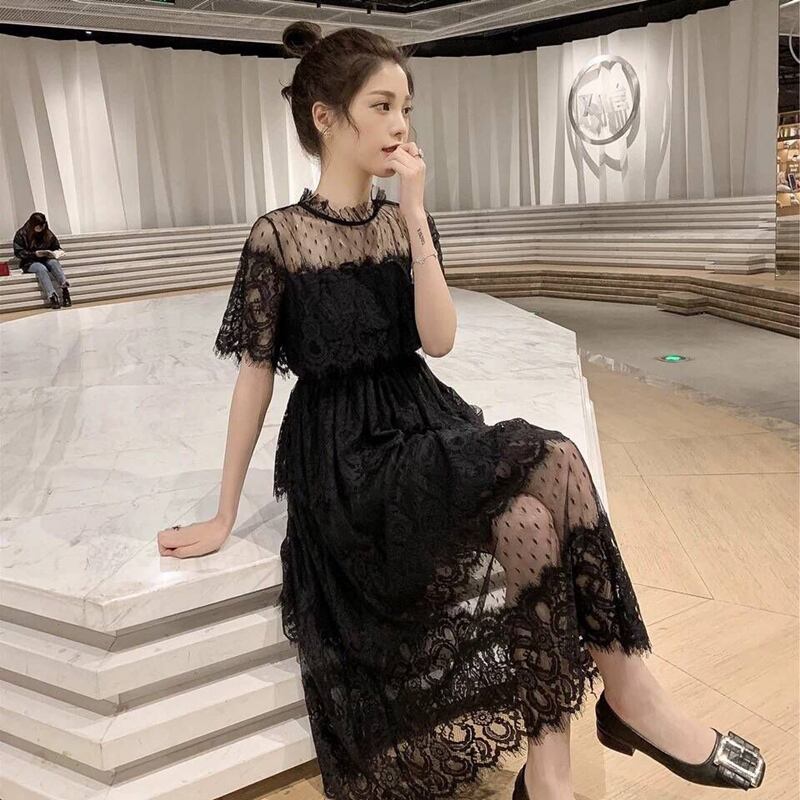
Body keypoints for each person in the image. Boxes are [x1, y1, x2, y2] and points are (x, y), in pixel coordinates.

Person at [157, 21, 766, 800]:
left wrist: (415, 218)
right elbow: (254, 375)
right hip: (347, 457)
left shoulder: (401, 221)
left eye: (406, 107)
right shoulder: (279, 237)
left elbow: (438, 340)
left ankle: (549, 777)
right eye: (382, 106)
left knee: (532, 518)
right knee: (555, 454)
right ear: (326, 118)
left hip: (421, 417)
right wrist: (223, 512)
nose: (400, 125)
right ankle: (632, 696)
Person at [12, 212, 72, 309]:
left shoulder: (47, 233)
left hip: (46, 259)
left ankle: (65, 290)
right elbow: (18, 252)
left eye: (42, 226)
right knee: (41, 268)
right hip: (29, 262)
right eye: (38, 227)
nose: (41, 229)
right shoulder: (21, 234)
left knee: (54, 263)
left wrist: (57, 252)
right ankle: (52, 296)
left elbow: (56, 246)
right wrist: (34, 254)